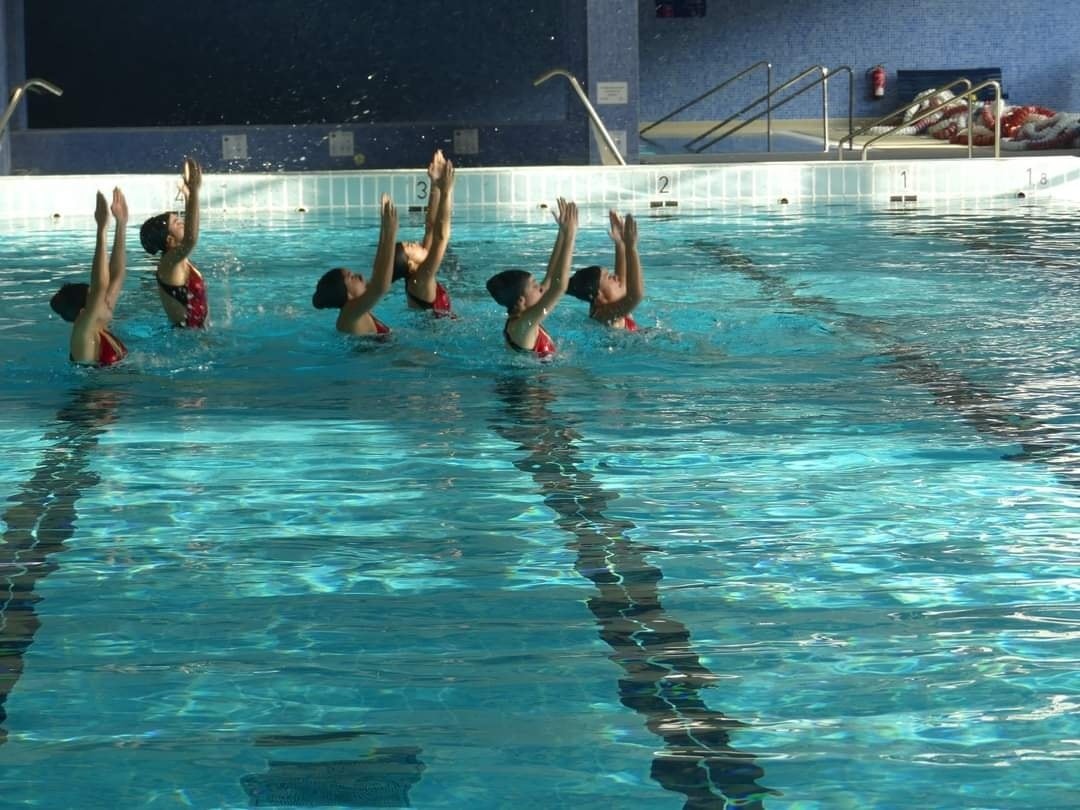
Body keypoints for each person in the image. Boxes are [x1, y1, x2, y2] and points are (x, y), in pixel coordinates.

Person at [486, 197, 578, 359]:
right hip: (526, 385)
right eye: (535, 286)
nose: (542, 287)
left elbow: (551, 278)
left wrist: (563, 232)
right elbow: (559, 287)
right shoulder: (523, 326)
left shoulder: (524, 318)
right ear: (521, 301)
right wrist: (571, 235)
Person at [49, 188, 129, 367]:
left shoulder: (99, 326)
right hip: (93, 395)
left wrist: (121, 224)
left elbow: (117, 275)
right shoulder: (83, 334)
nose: (107, 298)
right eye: (98, 299)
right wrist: (102, 230)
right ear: (83, 313)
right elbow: (100, 285)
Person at [312, 193, 399, 335]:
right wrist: (391, 233)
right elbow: (380, 286)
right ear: (346, 293)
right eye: (351, 277)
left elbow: (378, 274)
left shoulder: (356, 309)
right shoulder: (350, 314)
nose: (358, 275)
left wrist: (385, 228)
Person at [139, 157, 208, 328]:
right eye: (178, 223)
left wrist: (188, 195)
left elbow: (191, 232)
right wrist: (194, 192)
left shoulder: (178, 258)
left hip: (194, 337)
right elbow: (191, 238)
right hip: (186, 343)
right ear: (169, 240)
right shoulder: (168, 264)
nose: (184, 223)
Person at [392, 149, 455, 317]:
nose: (416, 243)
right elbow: (441, 238)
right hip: (440, 339)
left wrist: (435, 184)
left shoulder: (418, 272)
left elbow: (431, 227)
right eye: (411, 246)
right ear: (411, 264)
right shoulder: (420, 280)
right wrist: (447, 191)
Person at [566, 210, 643, 331]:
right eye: (609, 277)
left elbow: (622, 280)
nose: (616, 277)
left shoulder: (609, 301)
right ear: (599, 296)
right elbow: (636, 296)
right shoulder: (603, 316)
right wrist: (631, 247)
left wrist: (620, 243)